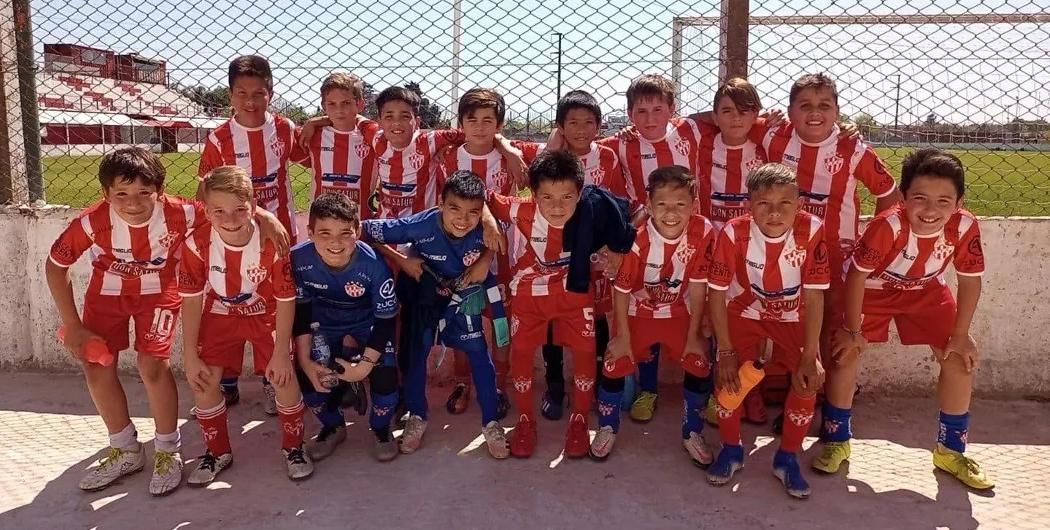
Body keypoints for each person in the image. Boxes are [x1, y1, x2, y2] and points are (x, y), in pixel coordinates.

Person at [821, 148, 993, 489]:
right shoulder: (888, 225)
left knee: (959, 358)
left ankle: (950, 450)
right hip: (871, 288)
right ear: (902, 197)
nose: (930, 210)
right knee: (845, 354)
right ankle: (836, 440)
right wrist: (853, 330)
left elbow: (971, 281)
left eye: (944, 201)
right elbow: (856, 277)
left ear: (960, 202)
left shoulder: (966, 226)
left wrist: (961, 334)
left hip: (925, 289)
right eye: (920, 198)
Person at [46, 147, 200, 496]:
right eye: (122, 194)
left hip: (160, 292)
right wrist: (72, 325)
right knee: (96, 364)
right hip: (108, 294)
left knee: (153, 366)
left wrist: (263, 219)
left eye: (144, 193)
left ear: (160, 191)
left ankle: (167, 450)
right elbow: (55, 265)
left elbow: (227, 214)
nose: (134, 203)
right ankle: (126, 448)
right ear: (106, 194)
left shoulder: (184, 213)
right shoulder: (91, 221)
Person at [489, 150, 635, 458]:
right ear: (534, 195)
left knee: (584, 352)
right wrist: (489, 222)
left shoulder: (593, 212)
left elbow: (630, 219)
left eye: (567, 197)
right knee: (522, 353)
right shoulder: (520, 210)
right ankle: (525, 420)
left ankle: (580, 419)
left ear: (580, 194)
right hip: (529, 294)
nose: (557, 207)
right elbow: (483, 199)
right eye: (547, 198)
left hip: (574, 293)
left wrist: (617, 249)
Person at [361, 170, 510, 459]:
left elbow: (503, 226)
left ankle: (491, 422)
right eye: (454, 209)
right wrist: (402, 260)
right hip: (426, 296)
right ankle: (417, 414)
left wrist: (487, 258)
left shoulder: (486, 227)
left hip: (464, 296)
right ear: (440, 204)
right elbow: (363, 229)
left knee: (480, 353)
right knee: (417, 352)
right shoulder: (421, 225)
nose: (463, 220)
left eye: (473, 213)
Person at [179, 166, 312, 485]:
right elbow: (192, 299)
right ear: (206, 211)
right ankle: (217, 451)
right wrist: (189, 354)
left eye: (240, 209)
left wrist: (282, 352)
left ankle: (294, 447)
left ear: (254, 207)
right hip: (221, 311)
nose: (229, 218)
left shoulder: (271, 240)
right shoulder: (197, 243)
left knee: (282, 376)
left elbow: (284, 298)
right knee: (204, 378)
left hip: (264, 310)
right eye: (219, 211)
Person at [705, 163, 830, 499]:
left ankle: (787, 456)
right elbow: (716, 292)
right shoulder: (733, 233)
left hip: (794, 315)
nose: (774, 213)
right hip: (745, 311)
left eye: (784, 204)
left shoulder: (812, 230)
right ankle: (731, 450)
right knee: (728, 381)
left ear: (799, 205)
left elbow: (816, 295)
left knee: (806, 382)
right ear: (749, 206)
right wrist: (726, 352)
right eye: (764, 204)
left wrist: (810, 354)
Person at [594, 165, 716, 465]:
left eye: (680, 205)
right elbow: (621, 291)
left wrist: (695, 335)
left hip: (681, 311)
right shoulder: (635, 238)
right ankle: (607, 428)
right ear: (649, 206)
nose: (671, 212)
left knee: (699, 363)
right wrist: (621, 337)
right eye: (662, 204)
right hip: (639, 311)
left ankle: (692, 432)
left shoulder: (703, 232)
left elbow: (699, 286)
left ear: (694, 205)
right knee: (614, 363)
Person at [291, 192, 401, 462]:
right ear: (310, 232)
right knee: (309, 377)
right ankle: (333, 426)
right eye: (324, 233)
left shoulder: (374, 265)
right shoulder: (298, 260)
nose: (335, 243)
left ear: (358, 231)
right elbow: (300, 313)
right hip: (322, 325)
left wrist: (364, 366)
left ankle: (381, 428)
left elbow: (387, 320)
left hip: (368, 323)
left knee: (385, 374)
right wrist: (304, 360)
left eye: (345, 233)